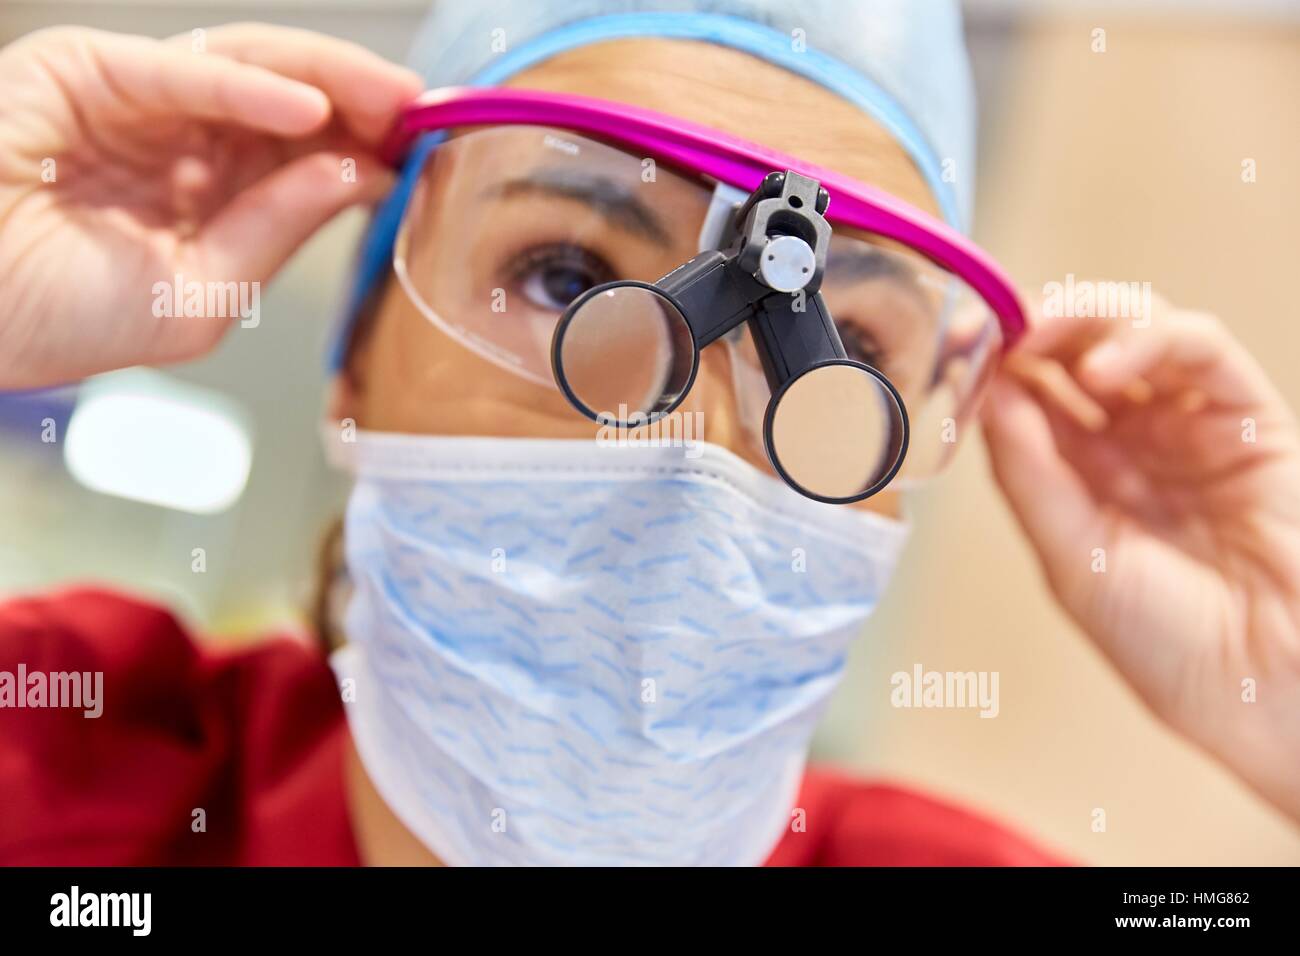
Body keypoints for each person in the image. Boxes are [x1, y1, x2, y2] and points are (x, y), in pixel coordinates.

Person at [0, 2, 1297, 866]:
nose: (705, 448)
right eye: (568, 273)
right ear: (354, 361)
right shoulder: (62, 760)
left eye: (838, 348)